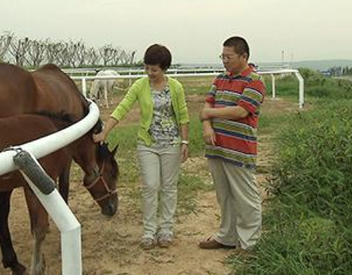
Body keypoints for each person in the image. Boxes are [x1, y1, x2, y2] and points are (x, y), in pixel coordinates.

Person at [93, 44, 190, 250]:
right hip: (147, 144)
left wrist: (185, 142)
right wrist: (105, 132)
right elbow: (122, 108)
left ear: (164, 68)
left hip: (171, 144)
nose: (149, 73)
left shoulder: (176, 87)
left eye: (154, 69)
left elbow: (183, 116)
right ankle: (148, 231)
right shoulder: (140, 85)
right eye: (147, 68)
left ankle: (166, 229)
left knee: (169, 187)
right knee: (150, 186)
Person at [198, 36, 265, 251]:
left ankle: (250, 243)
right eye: (222, 56)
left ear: (243, 56)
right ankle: (227, 236)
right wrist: (207, 125)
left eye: (229, 57)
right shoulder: (220, 78)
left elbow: (241, 111)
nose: (224, 61)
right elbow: (208, 102)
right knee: (224, 195)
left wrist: (209, 113)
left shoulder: (254, 81)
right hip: (217, 147)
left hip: (239, 149)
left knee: (245, 197)